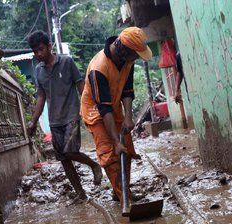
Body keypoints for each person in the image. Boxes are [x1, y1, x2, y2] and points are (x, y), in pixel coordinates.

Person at [27, 31, 102, 200]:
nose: (38, 54)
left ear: (49, 46)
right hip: (54, 120)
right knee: (63, 158)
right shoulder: (39, 71)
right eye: (35, 51)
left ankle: (94, 165)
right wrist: (33, 121)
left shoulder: (67, 62)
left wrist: (89, 109)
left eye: (41, 49)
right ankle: (80, 193)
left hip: (71, 115)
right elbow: (41, 97)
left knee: (70, 151)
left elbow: (80, 85)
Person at [80, 27, 152, 202]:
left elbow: (127, 90)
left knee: (125, 148)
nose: (136, 58)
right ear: (124, 50)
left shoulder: (127, 60)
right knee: (110, 153)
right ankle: (124, 198)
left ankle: (120, 189)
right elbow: (103, 108)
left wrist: (128, 116)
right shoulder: (99, 68)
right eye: (135, 54)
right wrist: (114, 141)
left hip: (114, 106)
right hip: (96, 112)